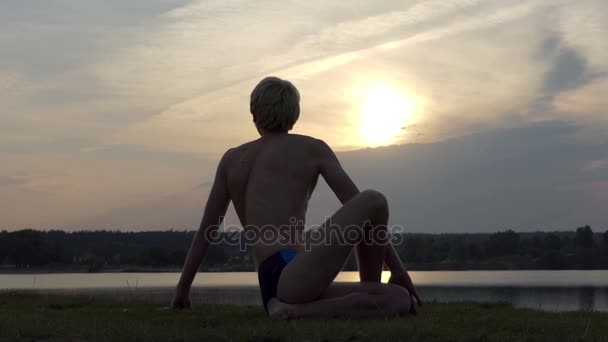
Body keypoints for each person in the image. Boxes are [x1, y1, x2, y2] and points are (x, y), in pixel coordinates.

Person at [172, 76, 421, 319]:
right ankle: (328, 300)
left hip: (275, 281)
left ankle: (305, 307)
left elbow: (207, 231)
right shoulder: (312, 149)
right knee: (373, 201)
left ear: (254, 112)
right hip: (292, 272)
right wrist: (397, 269)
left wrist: (182, 290)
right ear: (294, 114)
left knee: (399, 299)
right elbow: (356, 204)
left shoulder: (231, 159)